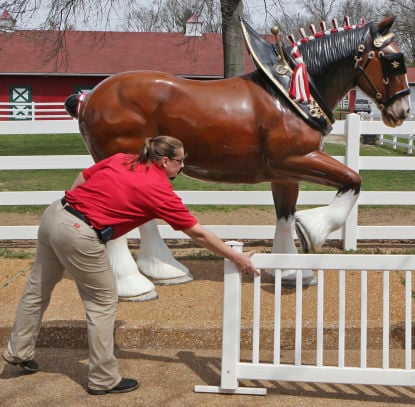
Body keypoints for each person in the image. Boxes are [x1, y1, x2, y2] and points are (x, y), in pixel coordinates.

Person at [2, 135, 259, 395]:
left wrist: (78, 210)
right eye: (180, 161)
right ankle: (103, 379)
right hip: (80, 232)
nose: (183, 167)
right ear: (165, 160)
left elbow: (82, 178)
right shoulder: (159, 191)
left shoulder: (122, 158)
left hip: (55, 214)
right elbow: (198, 233)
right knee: (102, 301)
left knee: (37, 289)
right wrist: (236, 257)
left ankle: (18, 351)